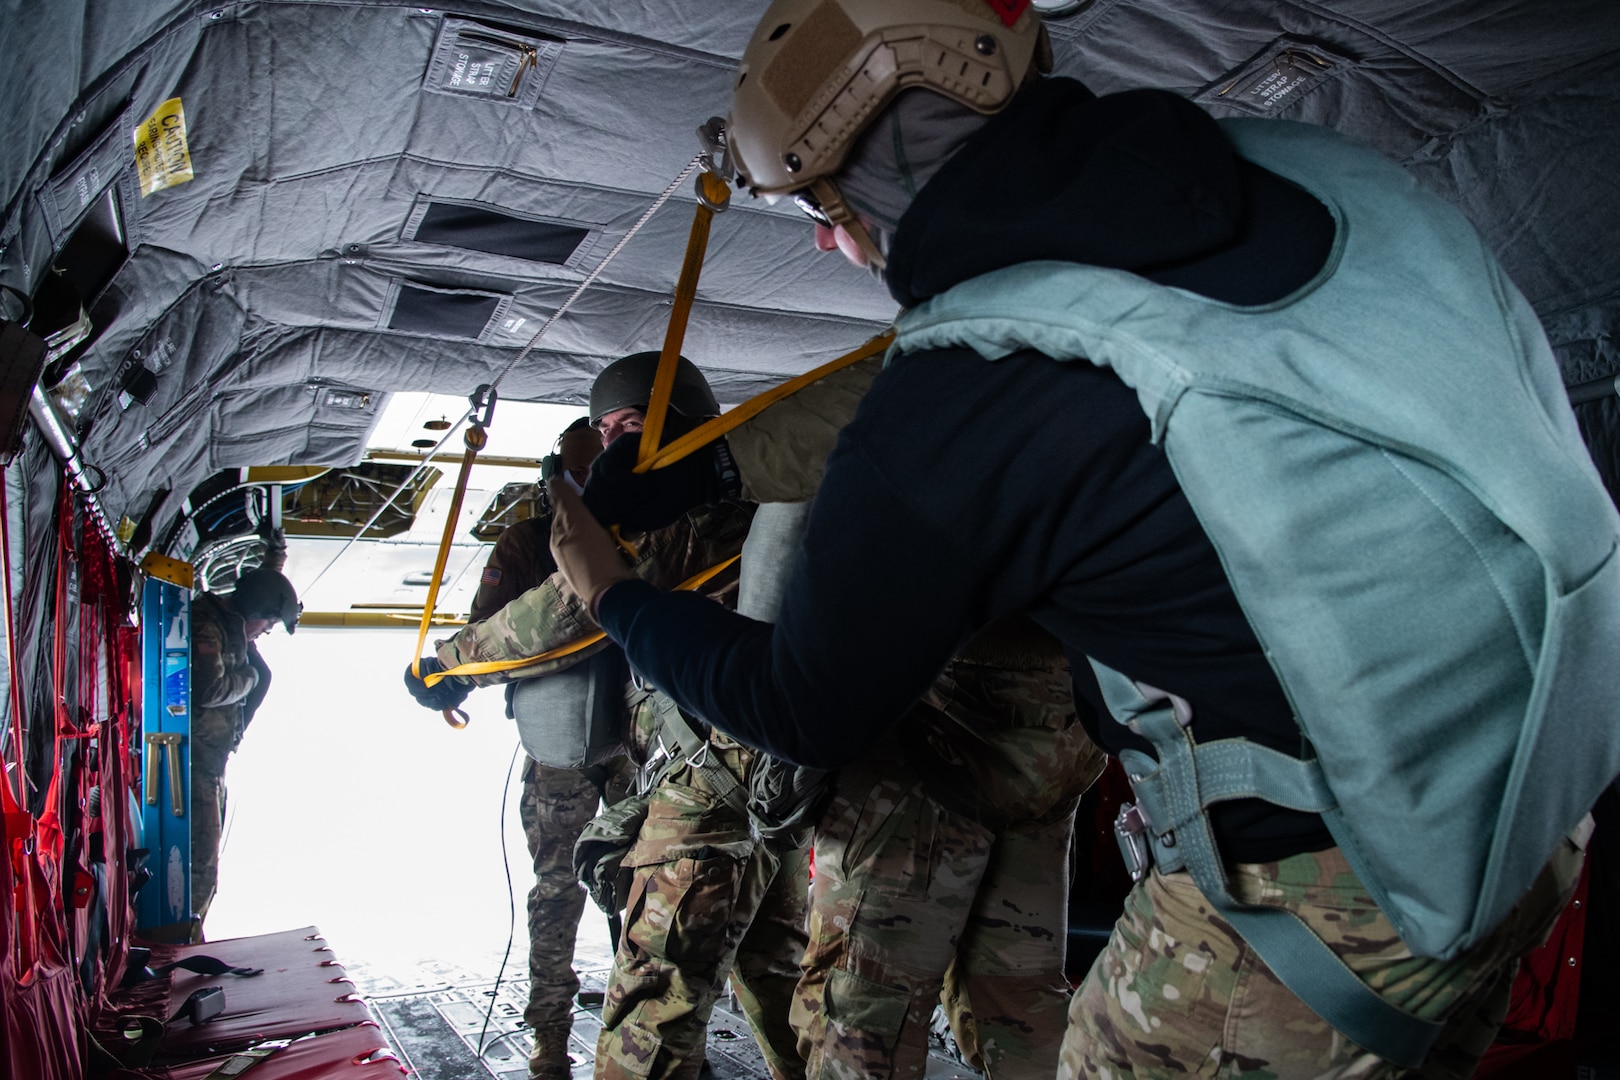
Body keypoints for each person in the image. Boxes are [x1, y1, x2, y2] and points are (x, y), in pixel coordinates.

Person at [550, 2, 1617, 1076]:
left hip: (1323, 888)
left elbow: (802, 706)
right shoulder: (1281, 181)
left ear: (850, 182)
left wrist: (617, 599)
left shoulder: (952, 408)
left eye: (820, 206)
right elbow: (1013, 368)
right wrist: (720, 467)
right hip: (1533, 787)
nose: (828, 237)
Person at [405, 352, 809, 1080]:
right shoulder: (767, 494)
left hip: (705, 785)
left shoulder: (672, 527)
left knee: (652, 1002)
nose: (621, 443)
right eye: (608, 430)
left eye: (634, 426)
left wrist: (445, 663)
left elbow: (558, 613)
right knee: (777, 970)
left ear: (688, 427)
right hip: (778, 778)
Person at [465, 417, 639, 1080]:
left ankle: (640, 1028)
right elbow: (484, 636)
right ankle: (550, 1038)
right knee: (559, 889)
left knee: (641, 889)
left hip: (635, 748)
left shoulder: (650, 531)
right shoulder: (528, 543)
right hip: (560, 743)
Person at [190, 559, 299, 940]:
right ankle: (180, 940)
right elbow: (209, 690)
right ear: (256, 610)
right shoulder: (208, 621)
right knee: (200, 864)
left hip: (211, 758)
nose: (263, 633)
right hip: (195, 759)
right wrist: (248, 678)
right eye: (267, 624)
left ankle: (185, 934)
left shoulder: (231, 630)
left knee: (206, 859)